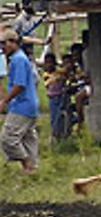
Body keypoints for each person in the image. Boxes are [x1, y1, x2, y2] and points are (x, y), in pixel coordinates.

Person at [0, 25, 39, 174]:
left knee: (8, 137)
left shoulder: (19, 60)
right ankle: (32, 170)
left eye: (4, 44)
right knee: (28, 138)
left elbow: (19, 85)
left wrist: (5, 100)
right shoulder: (16, 58)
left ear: (12, 42)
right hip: (29, 104)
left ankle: (26, 163)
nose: (2, 48)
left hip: (22, 105)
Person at [41, 52, 65, 140]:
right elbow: (47, 83)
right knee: (54, 117)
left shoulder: (59, 72)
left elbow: (65, 72)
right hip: (52, 98)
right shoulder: (46, 75)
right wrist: (57, 77)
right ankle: (55, 135)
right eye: (47, 63)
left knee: (61, 116)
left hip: (61, 96)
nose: (49, 65)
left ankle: (61, 134)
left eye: (51, 62)